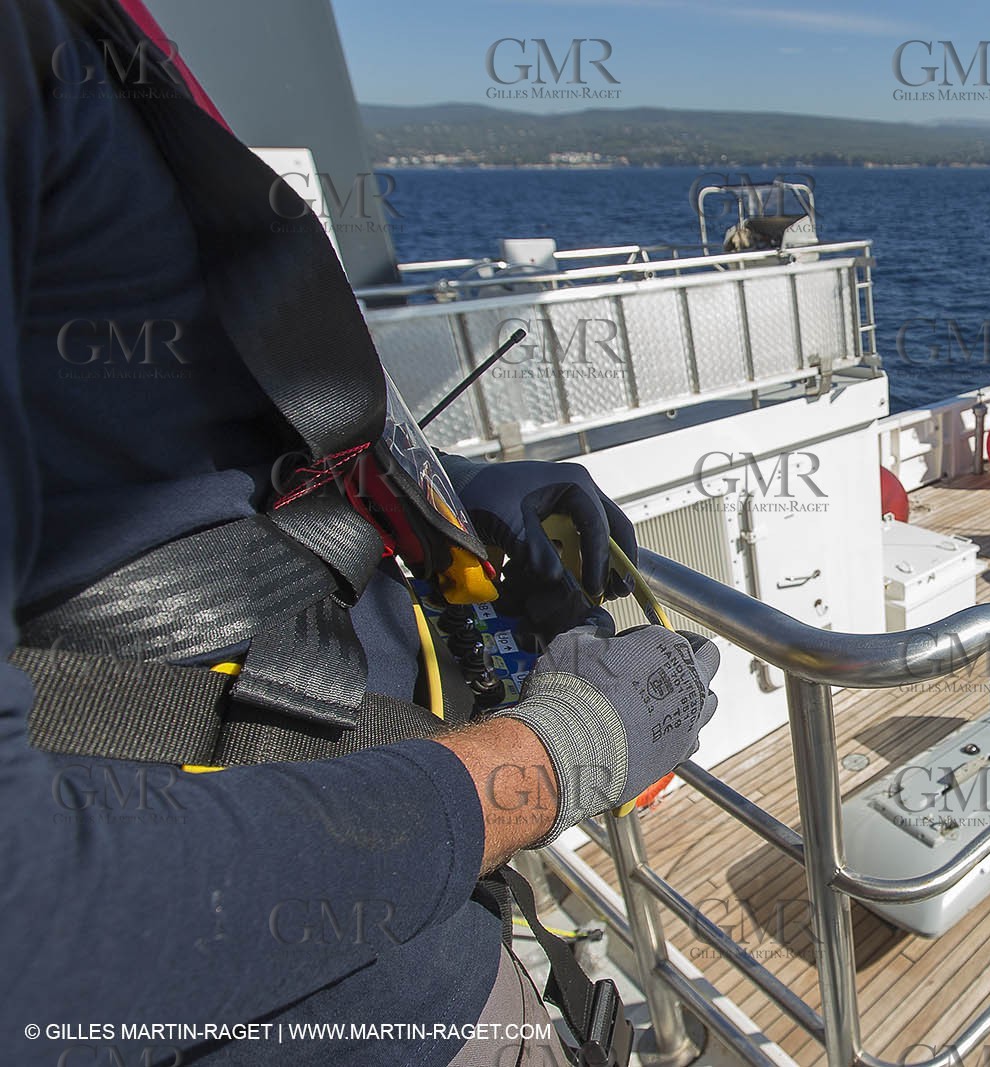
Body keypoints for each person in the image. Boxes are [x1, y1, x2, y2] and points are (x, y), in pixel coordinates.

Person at [1, 2, 718, 1065]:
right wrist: (556, 755)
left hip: (404, 909)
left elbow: (149, 443)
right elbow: (30, 944)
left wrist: (438, 490)